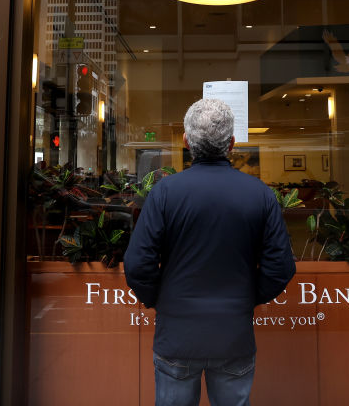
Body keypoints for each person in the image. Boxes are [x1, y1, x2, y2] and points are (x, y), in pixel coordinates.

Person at [124, 98, 296, 406]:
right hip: (233, 335)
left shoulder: (165, 192)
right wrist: (246, 298)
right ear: (232, 143)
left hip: (176, 335)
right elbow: (280, 267)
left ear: (187, 142)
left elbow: (138, 264)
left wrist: (160, 299)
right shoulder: (260, 194)